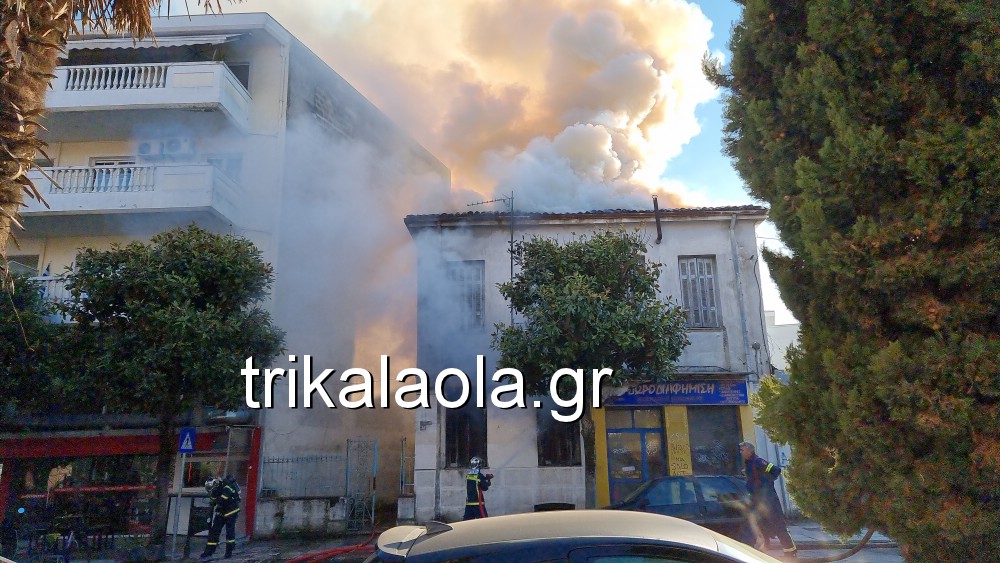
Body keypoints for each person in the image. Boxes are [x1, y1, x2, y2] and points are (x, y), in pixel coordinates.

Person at [739, 441, 797, 556]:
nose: (741, 452)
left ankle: (790, 551)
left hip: (768, 499)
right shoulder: (749, 463)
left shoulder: (758, 461)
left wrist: (765, 483)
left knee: (778, 524)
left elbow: (776, 470)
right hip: (758, 499)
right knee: (757, 524)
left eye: (743, 450)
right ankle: (759, 550)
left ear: (749, 450)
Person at [200, 476, 241, 560]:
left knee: (229, 532)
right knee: (214, 531)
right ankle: (208, 552)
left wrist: (216, 501)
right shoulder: (215, 490)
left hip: (231, 511)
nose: (211, 490)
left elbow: (223, 499)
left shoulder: (227, 486)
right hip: (221, 512)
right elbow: (213, 500)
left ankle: (229, 552)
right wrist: (213, 500)